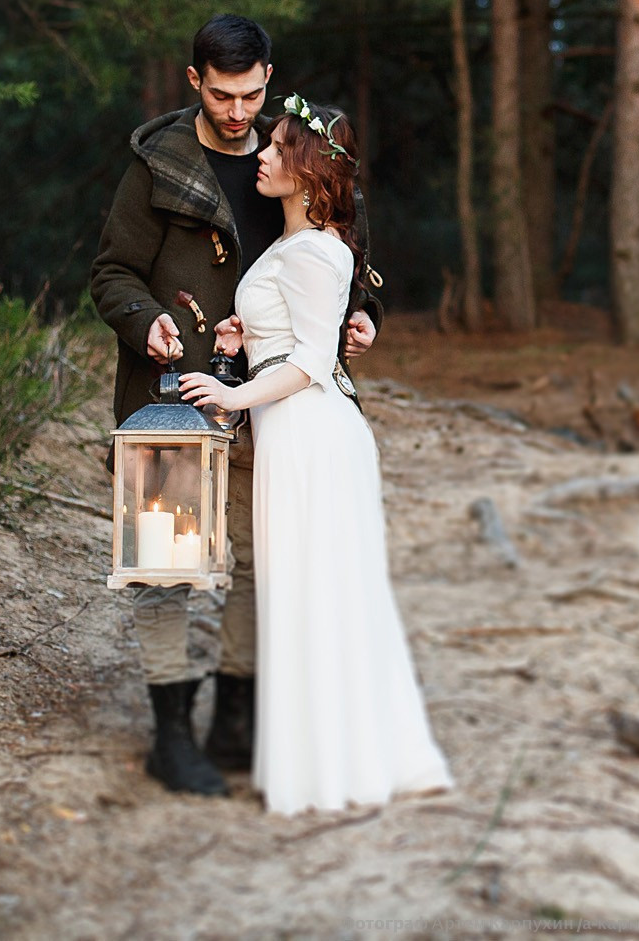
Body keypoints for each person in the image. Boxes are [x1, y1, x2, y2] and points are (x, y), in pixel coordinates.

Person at [89, 15, 379, 796]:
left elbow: (343, 257)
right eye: (222, 95)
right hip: (170, 401)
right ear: (195, 81)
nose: (238, 111)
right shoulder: (159, 164)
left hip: (272, 411)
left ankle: (237, 722)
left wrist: (362, 318)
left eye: (252, 94)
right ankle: (172, 735)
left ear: (268, 78)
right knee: (163, 564)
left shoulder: (293, 154)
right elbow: (111, 273)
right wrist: (145, 318)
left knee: (258, 562)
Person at [179, 98, 452, 815]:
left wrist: (231, 395)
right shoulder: (297, 243)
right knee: (304, 595)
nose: (263, 156)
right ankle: (323, 756)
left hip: (309, 435)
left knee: (316, 595)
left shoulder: (313, 250)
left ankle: (335, 765)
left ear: (306, 171)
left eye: (277, 148)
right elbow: (290, 337)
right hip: (292, 432)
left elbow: (309, 361)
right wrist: (243, 342)